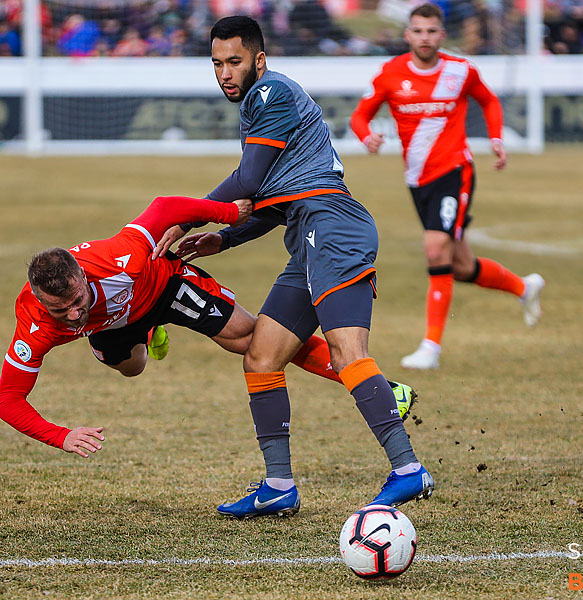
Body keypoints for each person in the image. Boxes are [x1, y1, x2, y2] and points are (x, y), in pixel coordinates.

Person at [154, 16, 434, 518]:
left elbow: (248, 178)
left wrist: (184, 214)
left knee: (350, 354)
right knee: (262, 356)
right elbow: (270, 199)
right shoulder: (258, 106)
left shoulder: (271, 95)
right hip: (308, 235)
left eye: (234, 61)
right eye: (217, 64)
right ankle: (279, 486)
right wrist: (219, 238)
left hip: (331, 227)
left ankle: (408, 470)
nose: (225, 73)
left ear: (259, 60)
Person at [0, 194, 416, 457]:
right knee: (133, 367)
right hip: (116, 328)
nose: (71, 314)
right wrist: (60, 435)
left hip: (162, 286)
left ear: (84, 279)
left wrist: (228, 213)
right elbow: (7, 401)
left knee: (256, 340)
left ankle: (379, 389)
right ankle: (146, 334)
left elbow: (164, 208)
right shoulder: (34, 324)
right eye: (60, 310)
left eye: (76, 302)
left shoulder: (117, 259)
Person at [349, 2, 545, 371]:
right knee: (461, 266)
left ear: (442, 34)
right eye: (418, 31)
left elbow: (488, 100)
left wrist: (497, 139)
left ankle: (430, 349)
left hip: (455, 170)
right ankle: (525, 287)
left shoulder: (460, 71)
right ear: (408, 35)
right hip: (417, 179)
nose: (425, 38)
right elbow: (360, 115)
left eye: (431, 31)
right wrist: (367, 136)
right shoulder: (390, 73)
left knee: (436, 249)